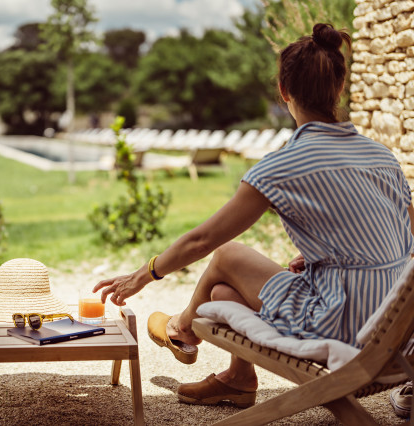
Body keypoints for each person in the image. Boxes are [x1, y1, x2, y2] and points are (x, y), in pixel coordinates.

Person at [94, 23, 414, 409]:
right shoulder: (381, 156)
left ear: (284, 93)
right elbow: (404, 234)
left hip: (344, 324)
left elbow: (203, 240)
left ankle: (181, 329)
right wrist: (331, 259)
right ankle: (238, 379)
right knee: (224, 293)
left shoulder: (283, 165)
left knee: (228, 256)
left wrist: (142, 275)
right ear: (340, 88)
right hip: (397, 323)